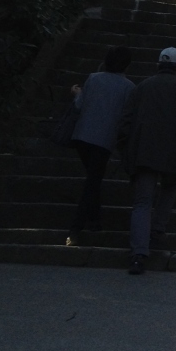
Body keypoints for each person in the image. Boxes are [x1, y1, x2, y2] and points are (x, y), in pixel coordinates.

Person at [118, 45, 176, 275]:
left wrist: (125, 149)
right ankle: (158, 229)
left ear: (158, 64)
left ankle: (138, 254)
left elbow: (126, 120)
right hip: (173, 152)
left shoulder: (143, 86)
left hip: (143, 151)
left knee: (142, 202)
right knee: (169, 188)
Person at [65, 46, 134, 246]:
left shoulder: (93, 78)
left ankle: (94, 219)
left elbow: (80, 105)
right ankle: (76, 226)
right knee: (93, 180)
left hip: (82, 136)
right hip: (104, 140)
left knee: (93, 178)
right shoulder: (129, 87)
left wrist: (77, 93)